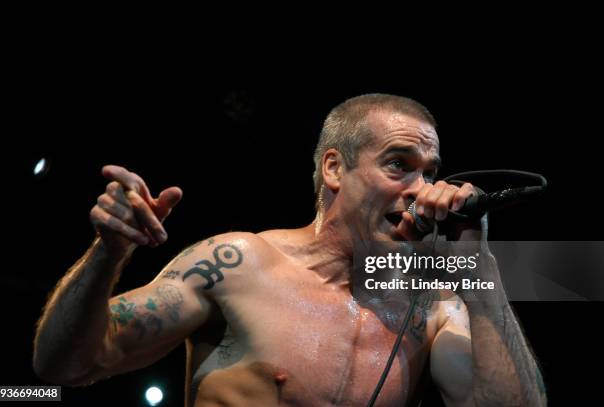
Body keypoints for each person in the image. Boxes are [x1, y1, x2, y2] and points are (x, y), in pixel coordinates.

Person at [33, 94, 546, 406]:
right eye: (398, 165)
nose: (421, 188)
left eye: (430, 173)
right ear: (334, 169)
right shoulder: (238, 264)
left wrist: (478, 267)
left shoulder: (432, 308)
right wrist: (109, 253)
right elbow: (65, 366)